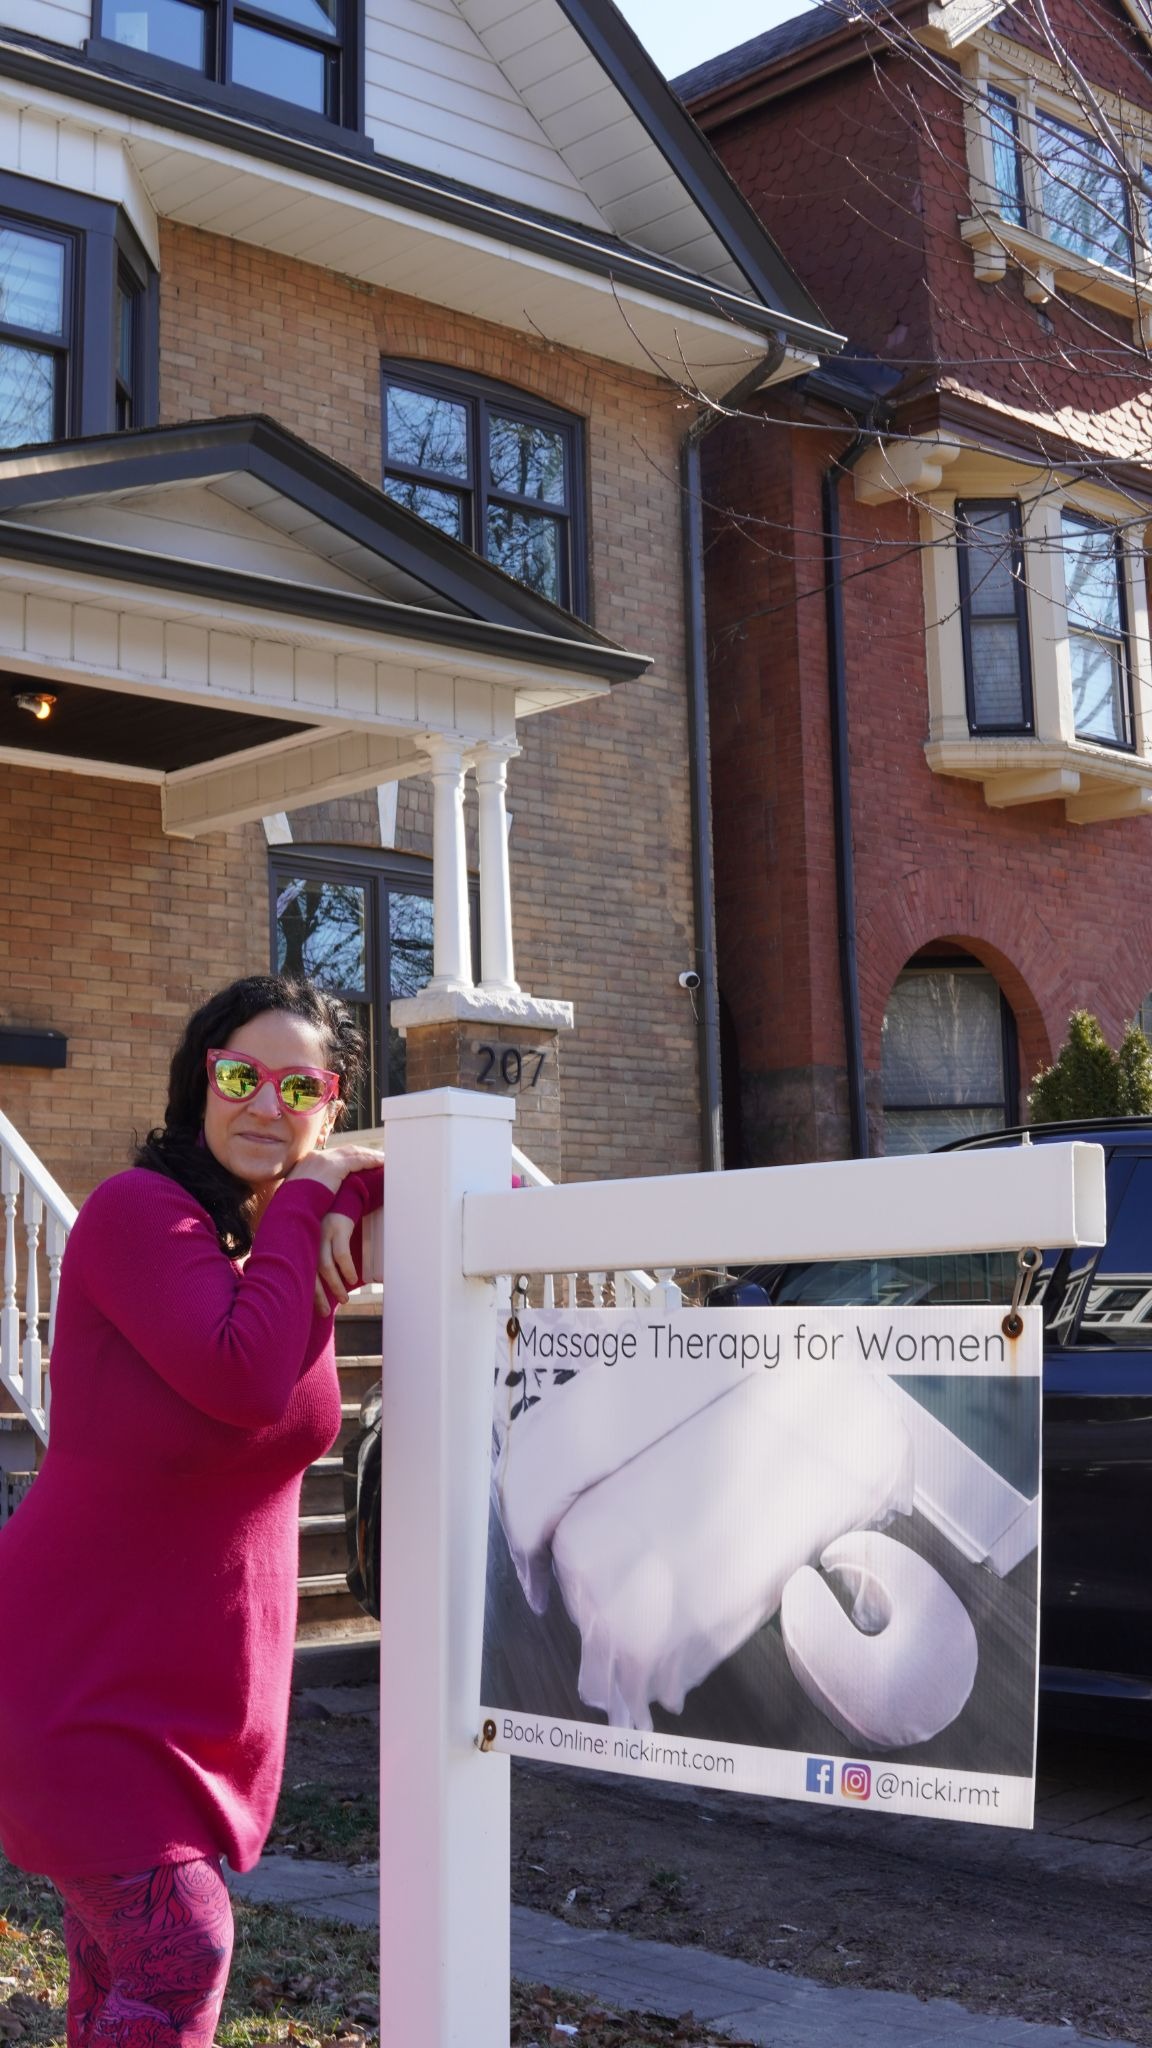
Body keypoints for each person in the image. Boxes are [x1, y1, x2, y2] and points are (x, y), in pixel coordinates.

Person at [0, 974, 384, 2048]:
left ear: (332, 1101)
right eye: (239, 1075)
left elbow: (477, 1175)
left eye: (298, 1084)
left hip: (183, 1700)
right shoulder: (139, 1215)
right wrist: (317, 1194)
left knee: (113, 1979)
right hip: (81, 1678)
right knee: (180, 1949)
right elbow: (244, 1377)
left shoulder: (252, 1251)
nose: (267, 1103)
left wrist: (336, 1199)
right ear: (196, 1084)